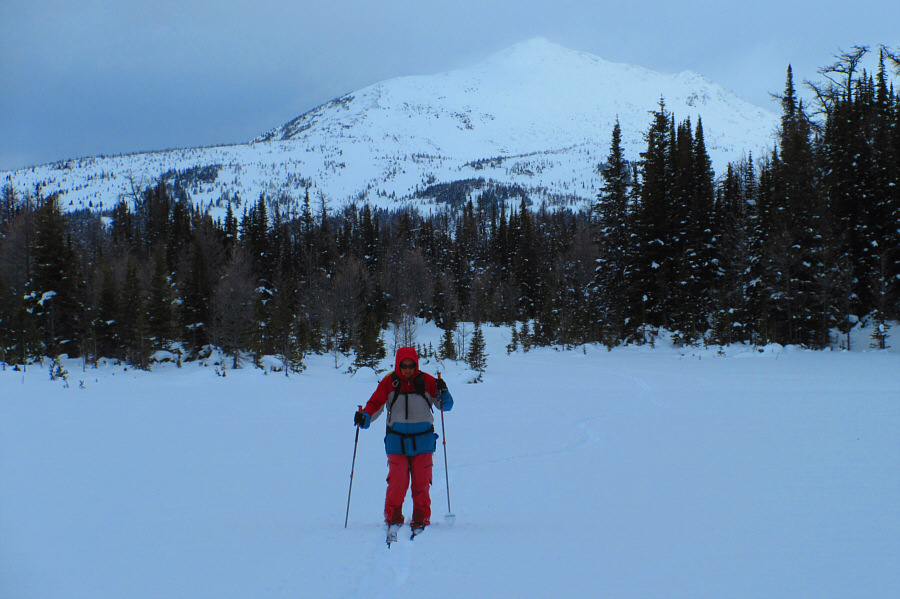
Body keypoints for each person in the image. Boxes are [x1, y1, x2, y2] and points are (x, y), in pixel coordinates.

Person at [353, 346, 453, 532]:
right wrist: (364, 417)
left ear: (416, 365)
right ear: (398, 365)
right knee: (397, 484)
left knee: (421, 484)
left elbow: (446, 406)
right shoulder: (389, 383)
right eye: (404, 365)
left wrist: (444, 390)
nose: (407, 369)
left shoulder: (428, 381)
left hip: (423, 442)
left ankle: (421, 518)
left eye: (411, 365)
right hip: (396, 442)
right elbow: (375, 403)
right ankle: (393, 517)